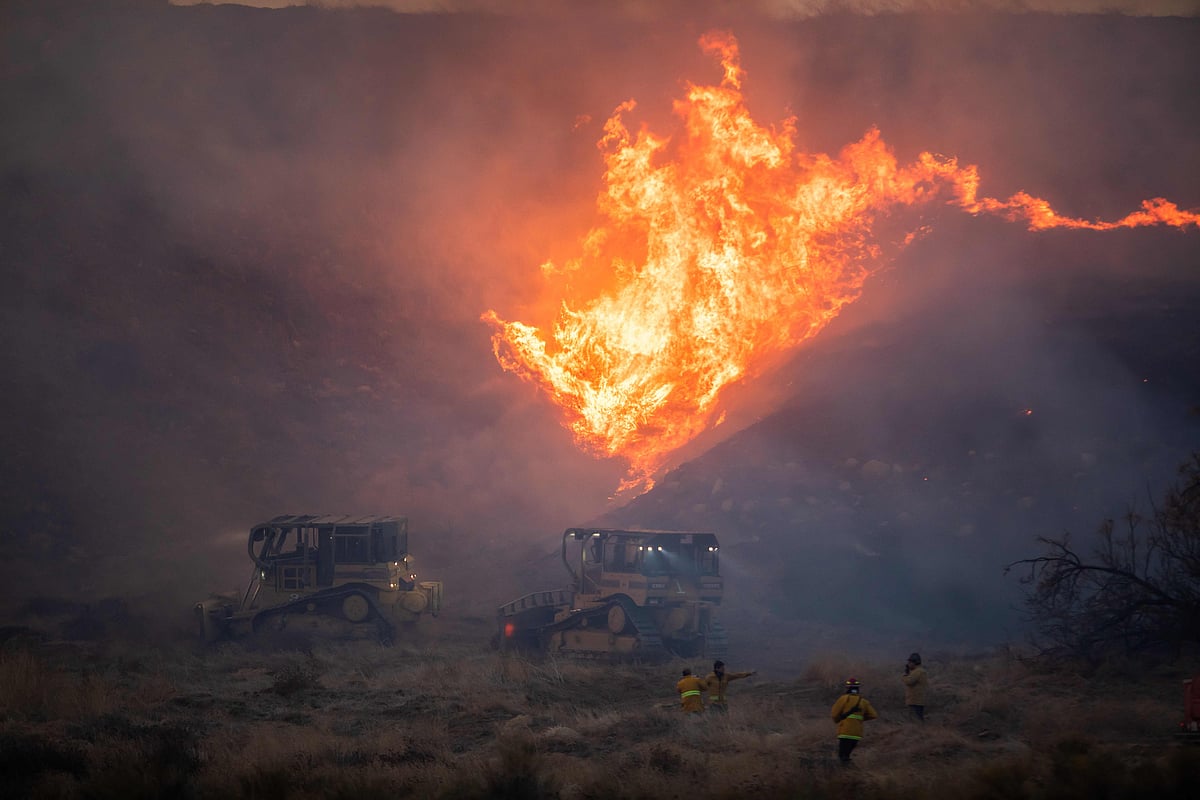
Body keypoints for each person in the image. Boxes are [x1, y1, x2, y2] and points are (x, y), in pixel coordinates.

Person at [830, 677, 878, 764]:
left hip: (845, 732)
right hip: (857, 734)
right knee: (847, 755)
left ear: (848, 688)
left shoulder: (844, 698)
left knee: (842, 756)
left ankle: (842, 772)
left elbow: (834, 714)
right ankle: (847, 770)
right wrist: (860, 719)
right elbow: (874, 715)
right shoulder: (864, 701)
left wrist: (838, 720)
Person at [902, 652, 928, 721]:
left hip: (915, 700)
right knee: (918, 719)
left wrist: (905, 675)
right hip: (918, 700)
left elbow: (908, 681)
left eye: (910, 662)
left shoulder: (917, 671)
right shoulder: (920, 671)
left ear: (914, 662)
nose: (908, 664)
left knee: (915, 720)